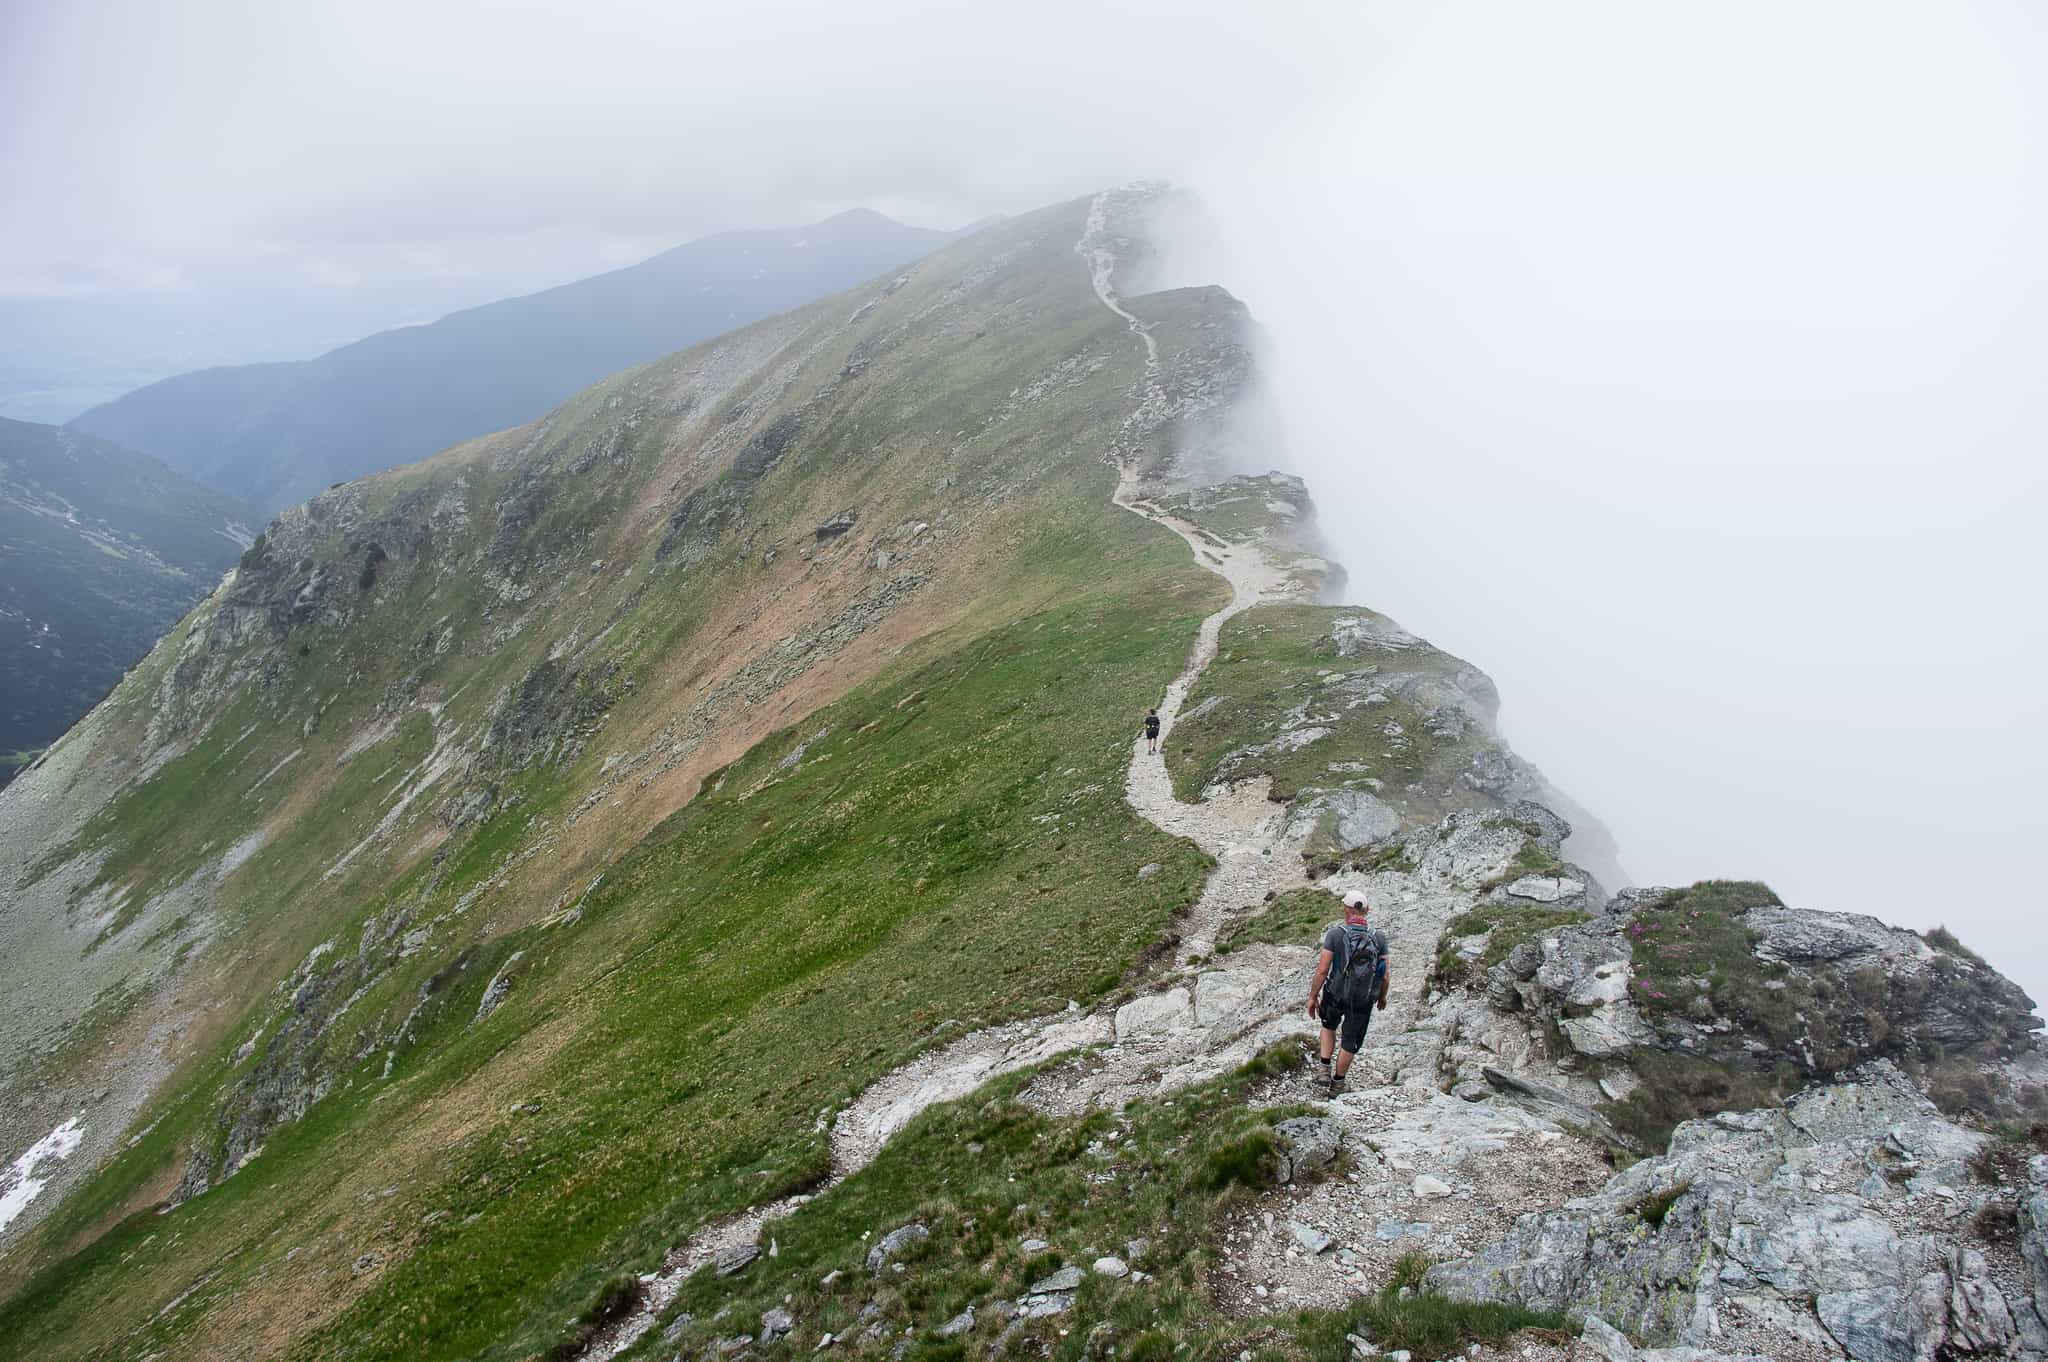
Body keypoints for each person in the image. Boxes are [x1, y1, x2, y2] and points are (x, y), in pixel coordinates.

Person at [1306, 889, 1389, 1097]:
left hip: (1335, 992)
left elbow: (1323, 969)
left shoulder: (1336, 934)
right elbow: (1385, 974)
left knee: (1328, 1025)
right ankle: (1338, 1084)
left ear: (1346, 909)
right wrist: (1381, 996)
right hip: (1363, 998)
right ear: (1367, 910)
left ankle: (1324, 1069)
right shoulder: (1378, 938)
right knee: (1350, 1041)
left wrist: (1313, 995)